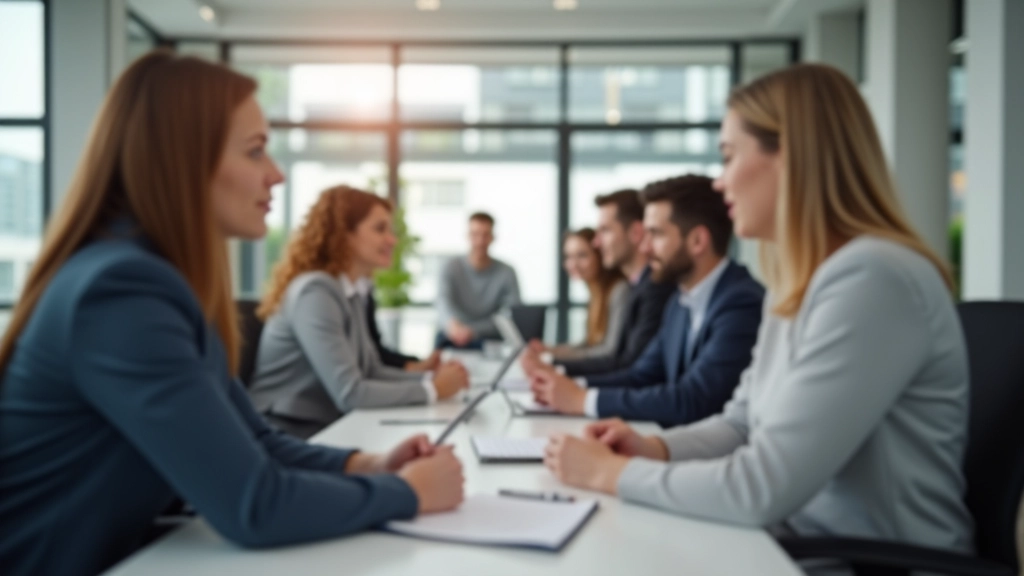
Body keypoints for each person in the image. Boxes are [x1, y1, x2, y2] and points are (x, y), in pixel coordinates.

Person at [0, 52, 464, 576]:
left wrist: (371, 464)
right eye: (255, 151)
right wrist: (406, 493)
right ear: (183, 160)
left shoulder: (156, 280)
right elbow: (255, 505)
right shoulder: (122, 292)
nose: (276, 175)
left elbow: (258, 442)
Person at [543, 63, 973, 560]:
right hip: (794, 544)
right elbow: (741, 424)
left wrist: (612, 473)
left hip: (865, 562)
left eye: (729, 157)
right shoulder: (801, 281)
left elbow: (762, 486)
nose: (720, 183)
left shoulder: (873, 279)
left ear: (791, 157)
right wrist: (654, 449)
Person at [530, 176, 764, 427]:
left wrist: (583, 399)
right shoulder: (680, 303)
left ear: (697, 241)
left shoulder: (741, 304)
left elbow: (693, 399)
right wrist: (570, 388)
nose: (644, 247)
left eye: (655, 234)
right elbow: (641, 375)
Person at [250, 186, 470, 439]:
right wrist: (433, 389)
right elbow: (350, 393)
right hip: (284, 432)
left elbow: (372, 371)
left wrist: (429, 379)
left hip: (322, 426)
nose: (392, 240)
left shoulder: (351, 292)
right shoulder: (316, 293)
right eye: (380, 229)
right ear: (344, 234)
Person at [521, 190, 675, 377]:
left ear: (635, 232)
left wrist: (553, 362)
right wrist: (551, 355)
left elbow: (621, 360)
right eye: (568, 257)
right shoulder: (635, 287)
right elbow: (600, 349)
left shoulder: (641, 289)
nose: (597, 242)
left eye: (605, 230)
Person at [538, 228, 628, 361]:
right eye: (568, 257)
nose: (573, 264)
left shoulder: (619, 290)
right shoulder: (596, 294)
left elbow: (609, 351)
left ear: (600, 255)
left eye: (582, 255)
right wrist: (551, 350)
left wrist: (553, 357)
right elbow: (589, 344)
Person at [435, 212, 521, 350]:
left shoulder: (507, 272)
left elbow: (511, 314)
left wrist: (473, 331)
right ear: (467, 236)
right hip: (453, 335)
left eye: (485, 235)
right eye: (475, 234)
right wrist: (453, 326)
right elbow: (443, 301)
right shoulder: (450, 267)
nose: (480, 241)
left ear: (493, 237)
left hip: (489, 338)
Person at [366, 291, 441, 371]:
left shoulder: (365, 294)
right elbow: (376, 355)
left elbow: (376, 347)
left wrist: (416, 362)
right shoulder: (359, 296)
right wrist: (429, 378)